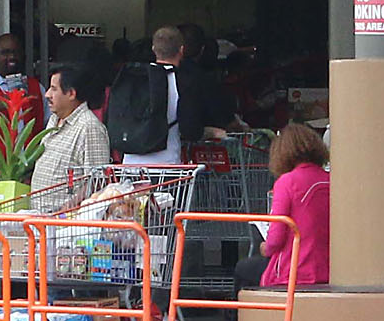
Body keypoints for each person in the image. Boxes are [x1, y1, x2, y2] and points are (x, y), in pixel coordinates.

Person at [110, 24, 227, 167]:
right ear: (182, 50)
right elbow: (190, 130)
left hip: (130, 164)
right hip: (167, 167)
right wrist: (211, 132)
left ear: (154, 49)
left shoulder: (134, 77)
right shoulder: (183, 82)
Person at [239, 123, 331, 291]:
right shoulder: (330, 179)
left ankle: (239, 316)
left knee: (243, 269)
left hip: (293, 270)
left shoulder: (287, 182)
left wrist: (264, 247)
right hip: (327, 268)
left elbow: (276, 239)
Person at [31, 64, 110, 212]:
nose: (47, 94)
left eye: (54, 89)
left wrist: (72, 204)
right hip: (40, 216)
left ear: (71, 94)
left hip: (65, 221)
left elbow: (97, 180)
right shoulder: (54, 119)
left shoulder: (89, 127)